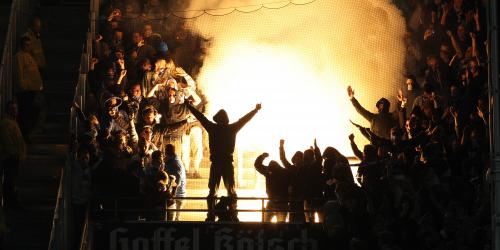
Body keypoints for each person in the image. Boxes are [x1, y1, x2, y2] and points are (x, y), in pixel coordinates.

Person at [185, 101, 262, 221]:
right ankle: (234, 214)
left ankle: (210, 215)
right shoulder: (232, 128)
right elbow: (244, 120)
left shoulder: (212, 127)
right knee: (231, 190)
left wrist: (189, 106)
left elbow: (200, 117)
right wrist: (255, 110)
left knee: (212, 191)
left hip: (215, 163)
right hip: (227, 163)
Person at [13, 36, 44, 139]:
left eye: (30, 45)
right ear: (22, 45)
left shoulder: (30, 56)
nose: (29, 47)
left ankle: (27, 133)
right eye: (27, 45)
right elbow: (19, 73)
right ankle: (24, 134)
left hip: (32, 90)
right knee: (25, 113)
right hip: (25, 91)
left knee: (32, 111)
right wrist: (23, 86)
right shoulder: (19, 57)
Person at [0, 101, 25, 208]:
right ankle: (9, 202)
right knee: (9, 181)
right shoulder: (6, 123)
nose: (15, 111)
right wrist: (13, 153)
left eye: (16, 108)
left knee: (12, 181)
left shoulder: (13, 122)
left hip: (15, 156)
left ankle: (11, 201)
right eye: (12, 109)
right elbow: (7, 140)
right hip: (10, 157)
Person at [254, 152, 289, 222]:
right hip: (283, 202)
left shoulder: (268, 172)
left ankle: (266, 232)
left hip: (272, 200)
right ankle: (280, 232)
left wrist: (262, 157)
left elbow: (257, 165)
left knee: (266, 222)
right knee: (281, 224)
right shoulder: (285, 172)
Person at [164, 144, 186, 221]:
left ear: (166, 151)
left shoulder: (175, 163)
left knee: (174, 220)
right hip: (175, 195)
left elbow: (177, 182)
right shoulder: (172, 161)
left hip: (176, 196)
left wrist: (172, 195)